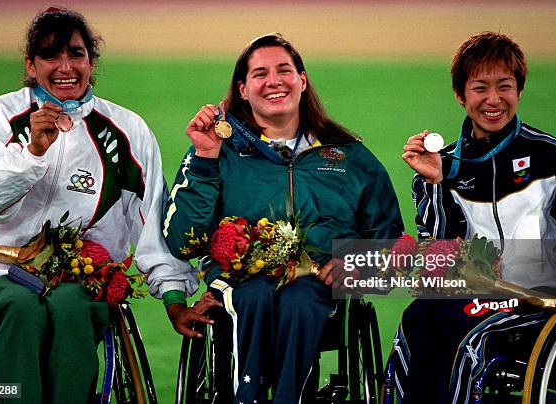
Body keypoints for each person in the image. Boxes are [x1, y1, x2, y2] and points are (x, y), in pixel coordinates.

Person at [162, 33, 404, 403]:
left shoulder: (349, 157)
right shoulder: (216, 152)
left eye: (284, 70)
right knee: (255, 295)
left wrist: (356, 262)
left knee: (300, 300)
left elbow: (392, 240)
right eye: (260, 74)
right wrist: (206, 159)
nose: (273, 81)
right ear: (242, 89)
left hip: (317, 287)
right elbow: (182, 241)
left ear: (302, 81)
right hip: (240, 284)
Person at [0, 8, 196, 403]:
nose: (65, 67)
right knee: (20, 309)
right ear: (30, 64)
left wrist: (175, 297)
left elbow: (151, 221)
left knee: (72, 307)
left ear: (91, 61)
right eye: (49, 56)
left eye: (76, 54)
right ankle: (6, 397)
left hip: (80, 277)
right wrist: (32, 154)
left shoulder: (128, 131)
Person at [396, 31, 556, 403]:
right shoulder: (443, 165)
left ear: (519, 90)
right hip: (476, 296)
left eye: (505, 86)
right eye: (480, 87)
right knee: (416, 321)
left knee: (470, 346)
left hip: (541, 304)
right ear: (460, 94)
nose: (494, 100)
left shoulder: (552, 157)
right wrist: (435, 182)